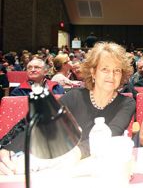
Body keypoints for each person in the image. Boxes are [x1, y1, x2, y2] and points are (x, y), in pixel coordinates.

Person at [0, 42, 135, 174]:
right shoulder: (74, 97)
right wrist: (7, 148)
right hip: (58, 169)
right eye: (105, 69)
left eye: (117, 70)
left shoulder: (127, 103)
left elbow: (111, 134)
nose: (111, 76)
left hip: (100, 169)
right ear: (93, 72)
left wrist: (77, 152)